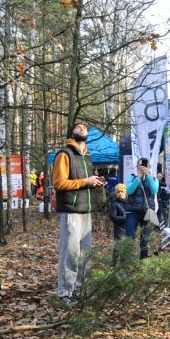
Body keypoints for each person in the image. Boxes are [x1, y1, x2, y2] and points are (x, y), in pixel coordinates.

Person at [52, 123, 106, 304]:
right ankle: (65, 293)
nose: (83, 129)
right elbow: (59, 183)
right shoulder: (64, 154)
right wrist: (85, 181)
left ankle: (79, 291)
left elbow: (86, 182)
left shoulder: (87, 156)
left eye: (85, 128)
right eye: (79, 127)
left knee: (84, 255)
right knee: (70, 254)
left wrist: (96, 182)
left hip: (86, 210)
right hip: (71, 210)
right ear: (72, 133)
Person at [125, 158, 159, 259]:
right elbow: (129, 191)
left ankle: (142, 261)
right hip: (132, 211)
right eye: (140, 165)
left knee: (145, 239)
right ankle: (128, 261)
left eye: (145, 165)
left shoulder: (154, 179)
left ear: (149, 167)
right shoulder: (131, 178)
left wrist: (148, 176)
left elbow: (154, 190)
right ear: (137, 167)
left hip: (147, 212)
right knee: (129, 237)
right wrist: (138, 178)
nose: (142, 167)